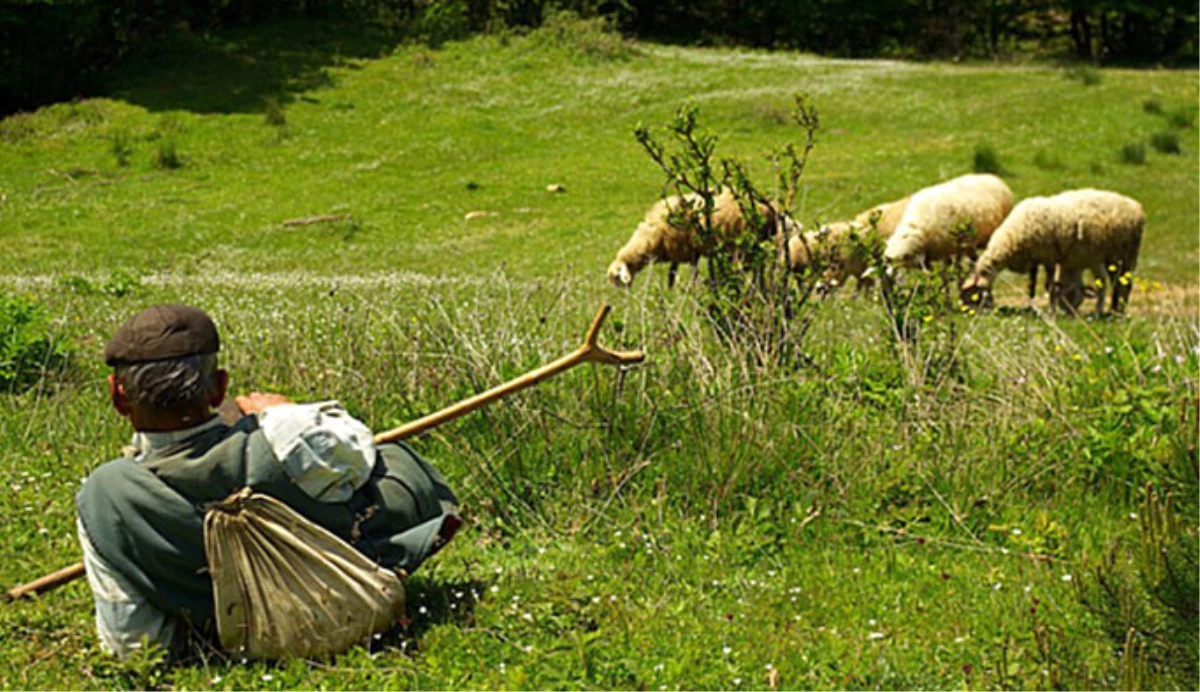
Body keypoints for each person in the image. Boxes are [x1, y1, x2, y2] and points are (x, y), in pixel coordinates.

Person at [76, 304, 460, 659]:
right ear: (219, 387)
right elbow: (358, 453)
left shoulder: (107, 495)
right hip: (349, 589)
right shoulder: (284, 434)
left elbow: (131, 642)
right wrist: (285, 413)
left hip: (231, 634)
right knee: (390, 458)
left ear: (117, 396)